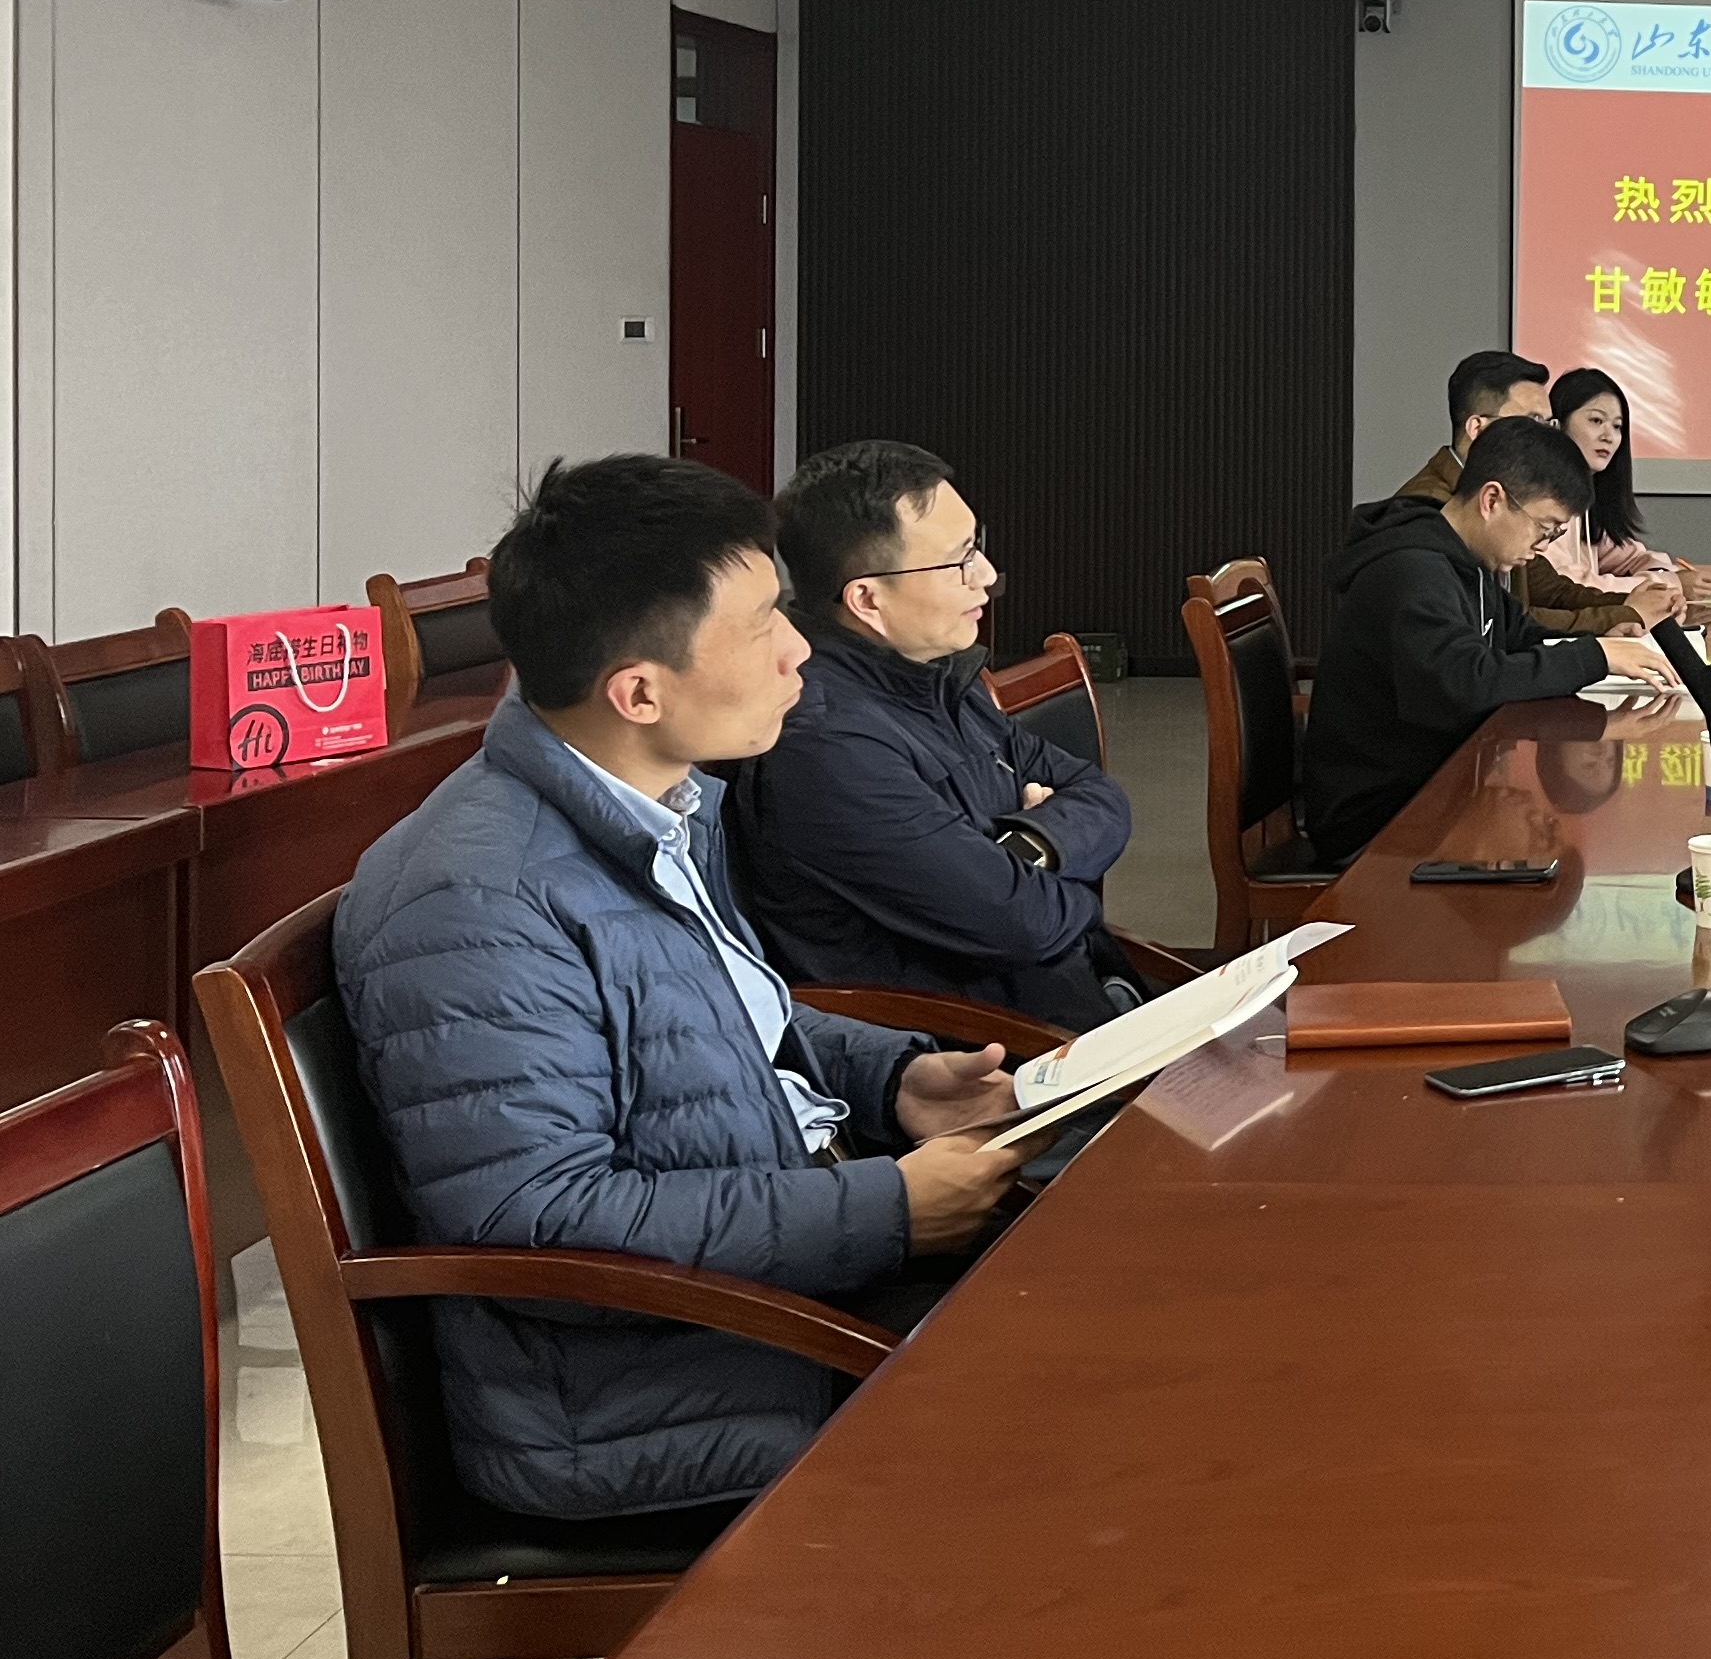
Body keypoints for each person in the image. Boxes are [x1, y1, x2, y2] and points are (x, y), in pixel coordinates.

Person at [334, 455, 1028, 1524]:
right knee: (1111, 1404)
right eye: (761, 627)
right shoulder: (477, 898)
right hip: (657, 1394)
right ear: (640, 691)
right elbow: (540, 1221)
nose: (801, 649)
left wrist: (890, 1080)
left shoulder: (652, 802)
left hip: (781, 1289)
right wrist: (885, 1212)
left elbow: (713, 1018)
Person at [731, 439, 1143, 1032]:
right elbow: (1029, 923)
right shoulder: (826, 747)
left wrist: (1030, 848)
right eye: (959, 561)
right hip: (984, 1049)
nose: (988, 576)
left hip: (1074, 999)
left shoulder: (935, 676)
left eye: (977, 546)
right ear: (867, 599)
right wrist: (1064, 881)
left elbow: (1099, 793)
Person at [1301, 414, 1678, 868]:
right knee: (1535, 876)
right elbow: (1467, 683)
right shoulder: (1411, 573)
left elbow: (1518, 633)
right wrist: (1594, 655)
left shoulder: (1467, 561)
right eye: (1545, 528)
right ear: (1492, 500)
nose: (1543, 546)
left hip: (1437, 786)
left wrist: (1606, 634)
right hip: (1379, 819)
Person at [1387, 349, 1681, 645]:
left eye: (1549, 424)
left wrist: (1630, 607)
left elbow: (1544, 591)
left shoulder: (1506, 495)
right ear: (1478, 428)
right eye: (1532, 422)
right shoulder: (1433, 512)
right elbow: (1499, 633)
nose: (1546, 438)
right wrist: (1618, 619)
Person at [1544, 366, 1711, 619]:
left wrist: (1670, 575)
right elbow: (1568, 585)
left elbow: (1629, 556)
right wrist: (1671, 585)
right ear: (1557, 424)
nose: (1609, 436)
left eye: (1617, 426)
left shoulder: (1584, 495)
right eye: (1596, 421)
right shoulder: (1543, 496)